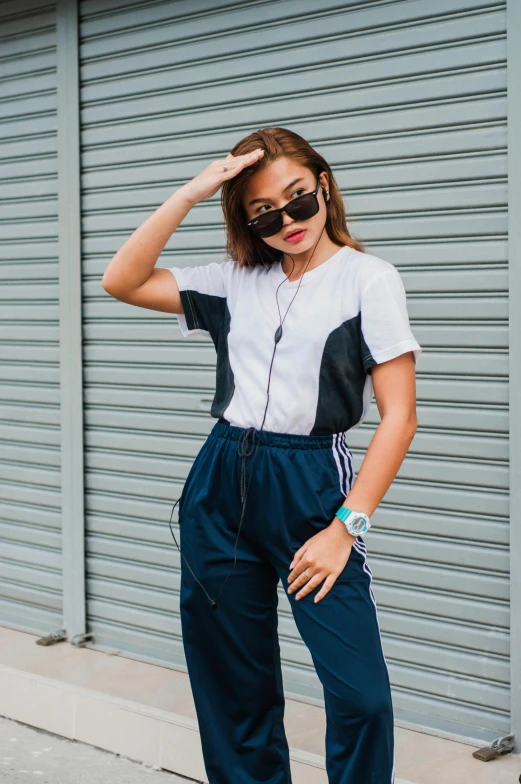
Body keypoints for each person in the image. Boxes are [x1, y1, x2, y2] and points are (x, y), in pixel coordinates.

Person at [102, 126, 422, 784]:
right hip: (219, 485)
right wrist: (192, 192)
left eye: (298, 198)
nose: (287, 220)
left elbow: (400, 418)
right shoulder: (233, 281)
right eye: (263, 212)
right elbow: (121, 279)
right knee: (233, 691)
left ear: (324, 188)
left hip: (310, 487)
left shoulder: (368, 280)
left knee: (361, 698)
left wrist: (345, 527)